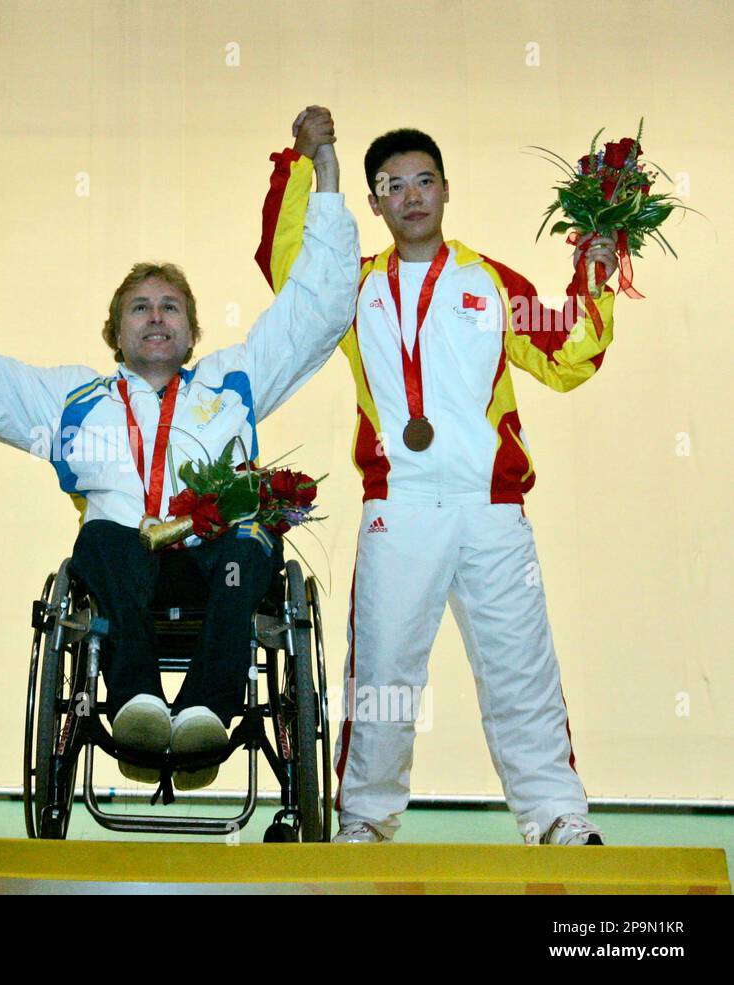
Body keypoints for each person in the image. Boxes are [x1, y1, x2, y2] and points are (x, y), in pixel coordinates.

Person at [0, 108, 359, 790]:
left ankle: (205, 711)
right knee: (102, 536)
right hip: (122, 567)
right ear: (116, 332)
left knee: (251, 537)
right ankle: (135, 702)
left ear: (193, 333)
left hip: (215, 569)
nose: (157, 317)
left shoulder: (233, 383)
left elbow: (318, 306)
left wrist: (328, 170)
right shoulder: (75, 399)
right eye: (140, 307)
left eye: (171, 307)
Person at [255, 127, 619, 845]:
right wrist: (302, 162)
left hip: (493, 509)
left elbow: (568, 353)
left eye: (424, 180)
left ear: (447, 188)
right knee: (385, 678)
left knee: (520, 671)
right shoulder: (350, 286)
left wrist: (595, 278)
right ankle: (364, 819)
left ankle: (557, 818)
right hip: (401, 508)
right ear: (373, 203)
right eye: (394, 186)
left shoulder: (492, 281)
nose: (412, 196)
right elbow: (284, 262)